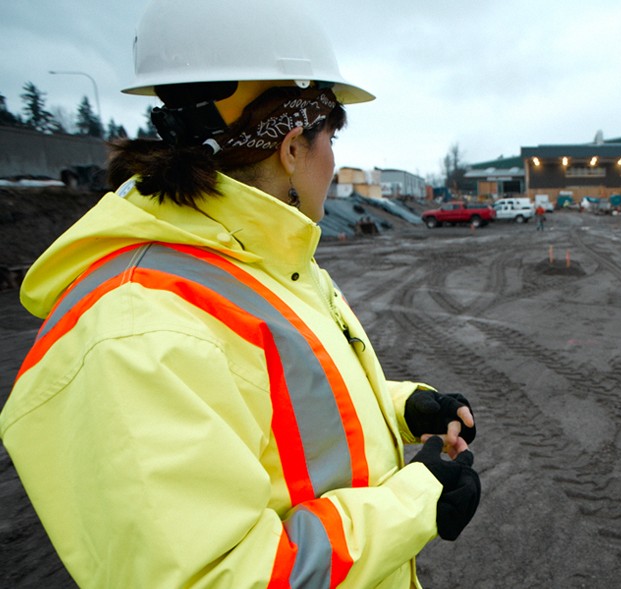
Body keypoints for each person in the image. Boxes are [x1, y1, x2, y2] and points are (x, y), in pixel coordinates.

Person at [0, 1, 481, 586]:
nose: (335, 162)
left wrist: (400, 408)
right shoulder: (137, 328)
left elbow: (288, 406)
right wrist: (415, 500)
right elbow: (218, 577)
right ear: (294, 147)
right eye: (330, 138)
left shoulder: (262, 260)